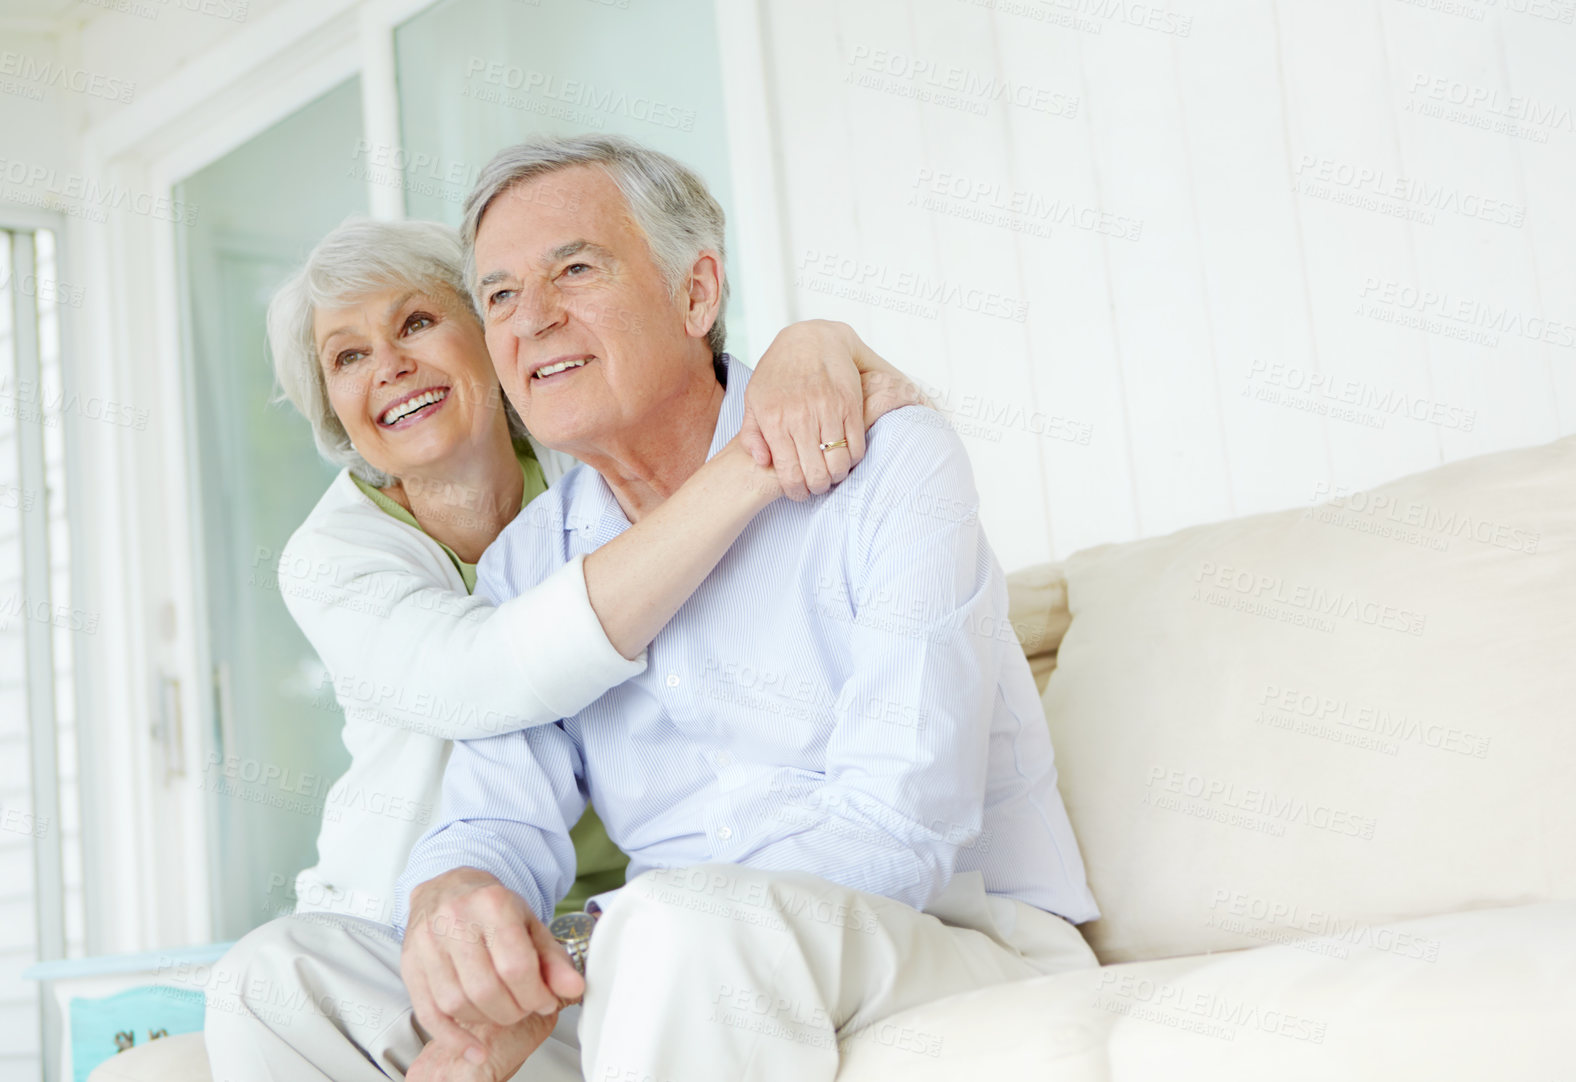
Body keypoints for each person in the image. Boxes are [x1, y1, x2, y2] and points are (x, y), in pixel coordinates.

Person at [204, 135, 1099, 1082]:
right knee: (274, 979)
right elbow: (496, 810)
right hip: (663, 973)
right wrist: (461, 903)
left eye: (575, 270)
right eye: (501, 294)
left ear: (696, 294)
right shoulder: (529, 558)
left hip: (934, 938)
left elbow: (902, 822)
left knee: (677, 926)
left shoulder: (885, 458)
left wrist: (597, 948)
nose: (533, 320)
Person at [259, 217, 918, 926]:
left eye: (416, 322)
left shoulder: (585, 459)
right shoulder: (329, 559)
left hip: (632, 899)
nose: (388, 366)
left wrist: (813, 341)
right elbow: (486, 677)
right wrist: (753, 466)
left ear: (491, 333)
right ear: (329, 402)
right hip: (423, 914)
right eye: (347, 357)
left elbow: (721, 410)